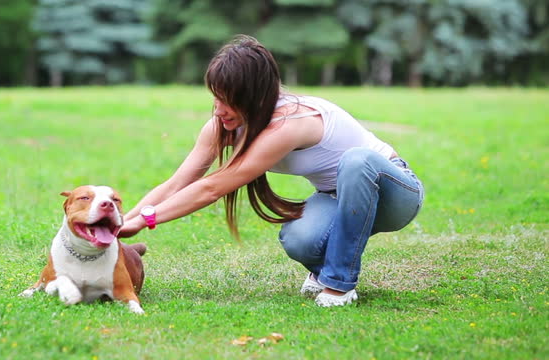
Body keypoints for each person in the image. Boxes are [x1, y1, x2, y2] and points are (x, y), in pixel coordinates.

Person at [119, 35, 424, 307]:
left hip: (392, 194)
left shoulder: (290, 123)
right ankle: (327, 270)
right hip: (335, 198)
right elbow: (178, 183)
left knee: (357, 161)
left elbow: (213, 188)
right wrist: (122, 222)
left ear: (257, 98)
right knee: (298, 237)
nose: (218, 109)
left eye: (229, 100)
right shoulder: (221, 127)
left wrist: (148, 220)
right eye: (216, 96)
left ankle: (338, 285)